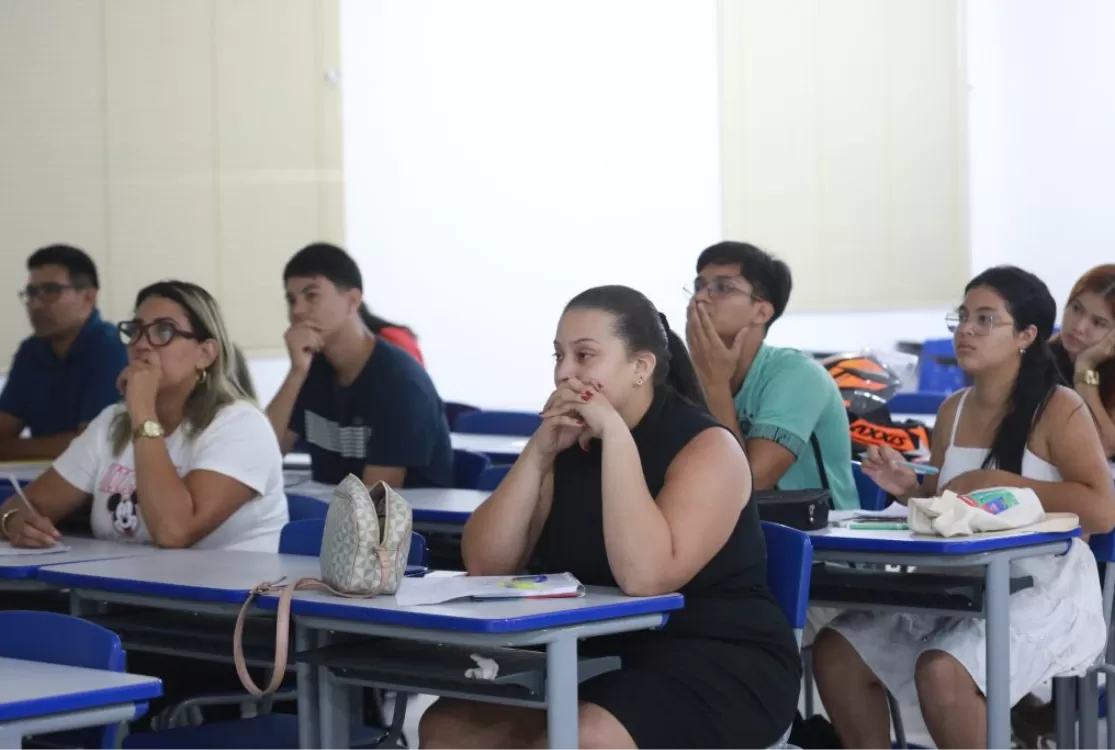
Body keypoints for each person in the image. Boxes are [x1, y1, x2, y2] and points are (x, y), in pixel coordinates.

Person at [419, 285, 802, 750]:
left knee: (581, 740)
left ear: (641, 367)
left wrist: (617, 439)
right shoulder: (565, 444)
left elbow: (646, 577)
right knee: (446, 729)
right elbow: (486, 564)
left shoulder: (708, 448)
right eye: (558, 356)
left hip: (717, 659)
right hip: (594, 649)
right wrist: (538, 452)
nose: (565, 373)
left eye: (584, 356)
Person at [812, 266, 1115, 750]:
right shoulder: (953, 409)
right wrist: (910, 487)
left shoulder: (1060, 408)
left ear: (1026, 335)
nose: (966, 330)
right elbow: (956, 506)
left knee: (942, 672)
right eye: (963, 316)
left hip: (1041, 587)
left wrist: (1005, 483)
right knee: (837, 651)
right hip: (957, 583)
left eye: (986, 319)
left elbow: (1102, 511)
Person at [0, 280, 289, 552]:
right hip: (121, 598)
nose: (142, 344)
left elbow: (174, 531)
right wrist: (12, 521)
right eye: (135, 330)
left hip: (230, 600)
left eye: (164, 331)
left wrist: (141, 410)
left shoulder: (241, 426)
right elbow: (27, 505)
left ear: (205, 354)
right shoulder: (112, 423)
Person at [685, 241, 859, 510]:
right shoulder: (685, 373)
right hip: (728, 534)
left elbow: (751, 482)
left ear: (762, 311)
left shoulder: (799, 375)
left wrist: (714, 384)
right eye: (699, 286)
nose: (700, 298)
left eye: (722, 287)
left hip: (822, 541)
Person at [266, 243, 452, 488]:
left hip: (405, 523)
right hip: (336, 516)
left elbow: (375, 503)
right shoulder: (312, 369)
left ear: (352, 301)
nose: (297, 311)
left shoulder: (400, 383)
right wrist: (296, 371)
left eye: (311, 296)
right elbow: (262, 455)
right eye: (291, 300)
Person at [0, 244, 127, 460]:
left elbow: (92, 445)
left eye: (51, 291)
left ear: (88, 297)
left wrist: (9, 449)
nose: (36, 304)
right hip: (38, 477)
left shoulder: (110, 350)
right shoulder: (31, 351)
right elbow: (4, 428)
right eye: (31, 293)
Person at [1050, 264, 1115, 456]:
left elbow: (1104, 447)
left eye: (1098, 323)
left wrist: (1085, 368)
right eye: (1076, 308)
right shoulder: (1036, 358)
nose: (1079, 326)